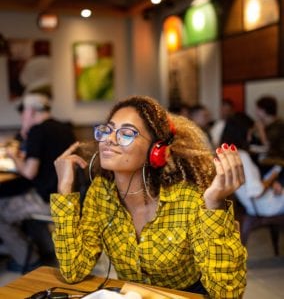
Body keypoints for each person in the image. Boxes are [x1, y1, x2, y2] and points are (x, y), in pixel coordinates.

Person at [51, 95, 247, 298]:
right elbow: (73, 269)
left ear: (157, 151)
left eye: (126, 133)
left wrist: (214, 205)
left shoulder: (188, 199)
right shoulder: (100, 192)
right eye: (107, 130)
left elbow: (228, 294)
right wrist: (64, 188)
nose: (109, 139)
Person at [0, 92, 76, 272]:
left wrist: (12, 156)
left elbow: (29, 172)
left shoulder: (38, 130)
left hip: (46, 200)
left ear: (31, 111)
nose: (23, 115)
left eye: (24, 111)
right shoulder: (64, 128)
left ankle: (28, 258)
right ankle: (47, 250)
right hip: (66, 197)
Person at [220, 112, 284, 217]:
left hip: (254, 206)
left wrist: (272, 183)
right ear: (240, 133)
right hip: (266, 205)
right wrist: (273, 177)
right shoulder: (242, 156)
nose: (250, 139)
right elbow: (256, 191)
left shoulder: (227, 154)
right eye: (249, 134)